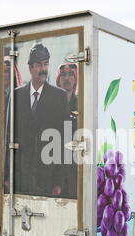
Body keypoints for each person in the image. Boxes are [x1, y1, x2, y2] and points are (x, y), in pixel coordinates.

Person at [6, 43, 68, 197]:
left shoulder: (59, 97)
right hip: (20, 177)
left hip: (47, 178)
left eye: (46, 64)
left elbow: (64, 141)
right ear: (30, 67)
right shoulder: (16, 95)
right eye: (39, 64)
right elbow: (8, 137)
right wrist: (7, 176)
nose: (43, 69)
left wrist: (59, 181)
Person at [56, 63, 79, 199]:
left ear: (76, 78)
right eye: (63, 74)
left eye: (71, 74)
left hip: (74, 165)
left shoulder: (81, 103)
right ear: (58, 78)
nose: (67, 78)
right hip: (52, 164)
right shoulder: (49, 103)